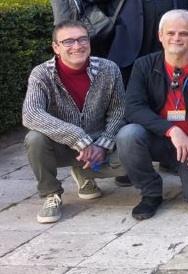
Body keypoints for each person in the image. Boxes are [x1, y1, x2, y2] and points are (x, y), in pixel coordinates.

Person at [116, 10, 188, 219]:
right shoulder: (143, 65)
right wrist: (171, 130)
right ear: (160, 35)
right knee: (127, 135)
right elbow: (133, 107)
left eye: (184, 33)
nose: (176, 38)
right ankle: (150, 192)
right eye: (170, 33)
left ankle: (182, 168)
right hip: (158, 138)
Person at [22, 20, 130, 224]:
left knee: (132, 160)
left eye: (82, 39)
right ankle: (51, 193)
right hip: (60, 145)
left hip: (98, 144)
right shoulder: (42, 74)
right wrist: (78, 138)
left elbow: (118, 111)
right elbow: (31, 113)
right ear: (56, 47)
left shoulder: (109, 69)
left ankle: (84, 172)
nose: (77, 46)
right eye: (68, 41)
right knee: (34, 138)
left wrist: (103, 144)